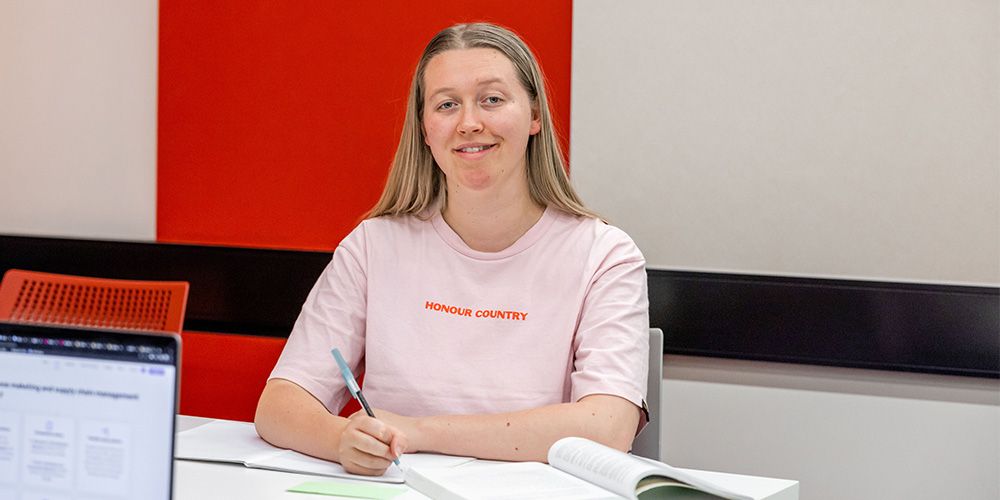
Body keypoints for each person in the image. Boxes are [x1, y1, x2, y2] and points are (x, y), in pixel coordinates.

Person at [254, 22, 649, 477]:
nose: (469, 123)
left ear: (534, 116)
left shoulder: (605, 255)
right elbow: (279, 405)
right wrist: (340, 439)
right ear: (425, 129)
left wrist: (419, 432)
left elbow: (609, 427)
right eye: (446, 105)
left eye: (492, 99)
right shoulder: (373, 246)